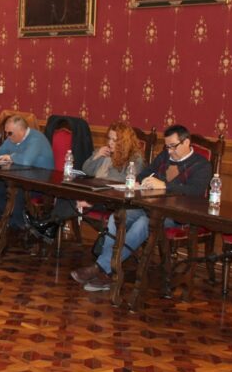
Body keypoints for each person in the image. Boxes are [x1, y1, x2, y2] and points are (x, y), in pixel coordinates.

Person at [71, 124, 212, 292]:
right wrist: (141, 182)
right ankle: (107, 271)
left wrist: (165, 186)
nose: (169, 151)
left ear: (186, 142)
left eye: (173, 146)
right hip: (150, 207)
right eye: (167, 146)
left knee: (144, 223)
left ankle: (102, 268)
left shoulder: (201, 165)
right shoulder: (164, 157)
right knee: (118, 216)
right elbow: (144, 174)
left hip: (177, 215)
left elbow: (195, 191)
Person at [26, 121, 145, 243]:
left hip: (113, 199)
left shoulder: (135, 158)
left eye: (114, 140)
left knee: (72, 199)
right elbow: (86, 169)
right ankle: (49, 226)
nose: (110, 142)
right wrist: (97, 156)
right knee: (65, 193)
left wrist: (112, 161)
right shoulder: (104, 151)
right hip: (94, 191)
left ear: (124, 142)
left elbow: (122, 181)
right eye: (109, 138)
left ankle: (47, 225)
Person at [0, 115, 55, 236]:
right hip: (21, 178)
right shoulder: (12, 138)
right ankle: (12, 223)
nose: (7, 136)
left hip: (41, 183)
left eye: (10, 133)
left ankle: (20, 227)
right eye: (6, 133)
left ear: (21, 130)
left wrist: (10, 157)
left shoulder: (36, 139)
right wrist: (1, 156)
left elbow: (26, 161)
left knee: (16, 192)